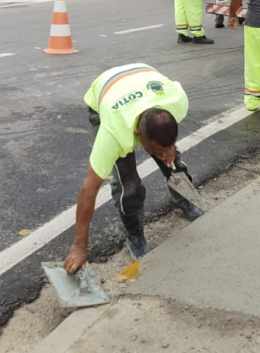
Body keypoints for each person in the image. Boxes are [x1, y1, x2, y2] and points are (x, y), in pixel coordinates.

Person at [63, 64, 205, 273]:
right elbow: (89, 187)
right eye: (155, 151)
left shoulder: (177, 102)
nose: (162, 154)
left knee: (173, 161)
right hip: (107, 97)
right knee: (128, 184)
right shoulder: (114, 132)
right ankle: (135, 234)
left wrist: (168, 150)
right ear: (137, 133)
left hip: (140, 75)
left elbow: (165, 140)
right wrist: (78, 246)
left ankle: (182, 197)